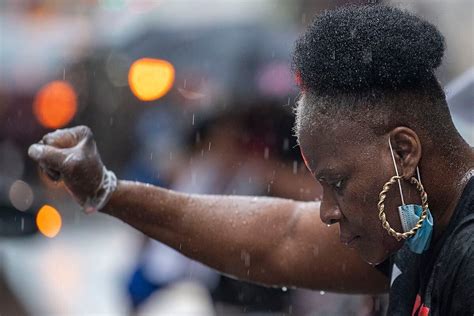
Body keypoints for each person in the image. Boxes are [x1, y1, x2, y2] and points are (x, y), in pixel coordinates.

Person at [28, 5, 474, 315]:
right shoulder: (414, 225)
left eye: (337, 183)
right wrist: (107, 190)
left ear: (403, 151)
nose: (326, 210)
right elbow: (279, 238)